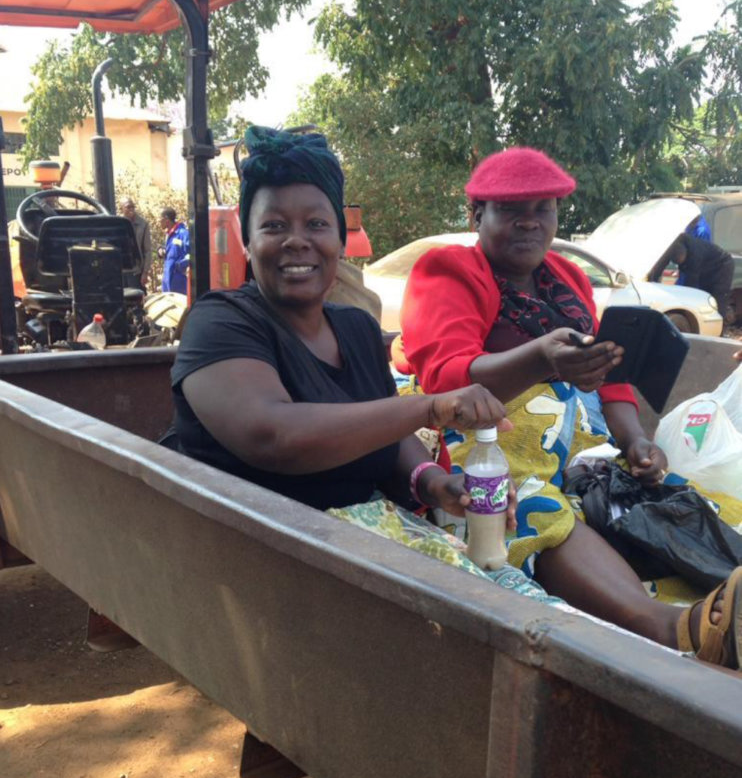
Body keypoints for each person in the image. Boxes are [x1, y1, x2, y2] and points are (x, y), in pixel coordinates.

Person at [169, 126, 568, 610]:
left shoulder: (355, 327)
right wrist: (432, 407)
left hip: (365, 547)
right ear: (246, 239)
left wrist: (435, 483)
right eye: (273, 226)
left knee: (532, 614)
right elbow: (271, 435)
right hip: (265, 566)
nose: (297, 241)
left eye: (317, 224)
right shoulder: (220, 322)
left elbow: (387, 434)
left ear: (340, 238)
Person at [396, 146, 742, 667]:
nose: (530, 222)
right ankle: (669, 628)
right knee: (534, 507)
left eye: (544, 208)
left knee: (667, 497)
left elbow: (608, 375)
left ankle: (724, 599)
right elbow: (445, 379)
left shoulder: (569, 278)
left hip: (581, 440)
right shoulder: (448, 270)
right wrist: (541, 359)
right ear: (476, 215)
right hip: (488, 437)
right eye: (512, 210)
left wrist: (635, 440)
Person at [648, 232, 734, 318]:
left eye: (684, 263)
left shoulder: (695, 256)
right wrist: (651, 282)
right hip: (706, 265)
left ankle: (719, 322)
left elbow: (691, 286)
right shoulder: (669, 248)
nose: (683, 266)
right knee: (704, 297)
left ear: (687, 255)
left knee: (717, 298)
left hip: (723, 265)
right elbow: (659, 266)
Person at [120, 197, 152, 291]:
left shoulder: (143, 224)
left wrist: (145, 272)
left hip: (135, 271)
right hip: (120, 271)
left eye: (133, 206)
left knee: (135, 297)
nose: (131, 209)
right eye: (128, 207)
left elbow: (147, 250)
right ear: (121, 208)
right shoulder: (117, 223)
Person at [159, 208, 190, 294]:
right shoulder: (168, 234)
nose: (159, 222)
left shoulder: (183, 234)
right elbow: (170, 250)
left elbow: (191, 254)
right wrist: (161, 250)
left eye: (160, 219)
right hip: (167, 277)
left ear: (166, 219)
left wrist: (179, 266)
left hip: (178, 278)